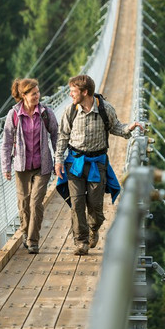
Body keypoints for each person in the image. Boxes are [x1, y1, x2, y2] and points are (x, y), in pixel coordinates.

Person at [54, 75, 143, 255]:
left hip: (97, 163)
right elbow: (62, 136)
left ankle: (94, 229)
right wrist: (58, 160)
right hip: (75, 163)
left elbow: (115, 127)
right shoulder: (70, 111)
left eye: (73, 91)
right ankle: (81, 242)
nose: (70, 94)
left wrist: (129, 128)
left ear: (85, 92)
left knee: (95, 205)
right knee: (77, 202)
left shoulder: (105, 109)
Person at [0, 78, 59, 254]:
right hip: (21, 165)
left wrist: (59, 160)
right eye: (33, 93)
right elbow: (6, 142)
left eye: (38, 92)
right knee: (24, 204)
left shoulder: (46, 113)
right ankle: (26, 232)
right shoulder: (14, 114)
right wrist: (6, 167)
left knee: (36, 203)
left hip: (43, 165)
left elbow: (56, 135)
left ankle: (33, 240)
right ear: (24, 95)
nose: (37, 96)